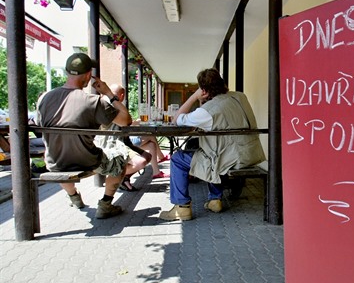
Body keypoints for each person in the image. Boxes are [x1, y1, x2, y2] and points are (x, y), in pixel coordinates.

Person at [159, 68, 265, 221]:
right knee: (208, 149)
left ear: (203, 90)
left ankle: (182, 208)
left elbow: (176, 120)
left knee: (178, 158)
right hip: (252, 153)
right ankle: (214, 199)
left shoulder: (207, 112)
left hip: (232, 159)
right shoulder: (240, 96)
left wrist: (195, 97)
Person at [37, 53, 132, 219]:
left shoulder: (44, 99)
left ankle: (74, 197)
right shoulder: (93, 101)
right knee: (120, 161)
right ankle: (105, 205)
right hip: (87, 160)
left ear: (67, 72)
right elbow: (126, 121)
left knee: (58, 164)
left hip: (55, 161)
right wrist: (109, 93)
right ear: (88, 75)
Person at [99, 84, 153, 192]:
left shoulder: (110, 103)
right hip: (112, 144)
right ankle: (117, 176)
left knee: (147, 155)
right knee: (140, 161)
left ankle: (124, 178)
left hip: (124, 141)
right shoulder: (107, 105)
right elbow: (125, 122)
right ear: (122, 95)